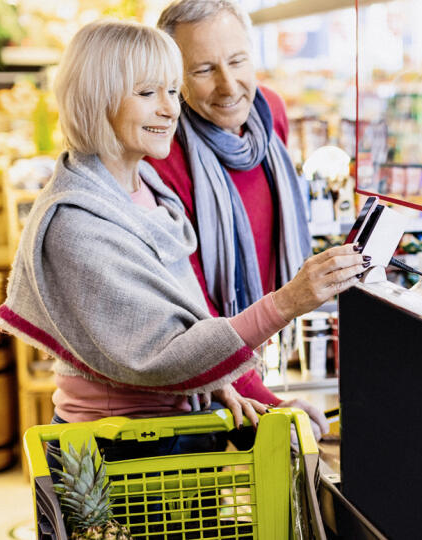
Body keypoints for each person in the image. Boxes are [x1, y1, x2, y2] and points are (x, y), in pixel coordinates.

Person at [0, 20, 367, 449]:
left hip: (174, 429)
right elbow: (160, 357)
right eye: (147, 92)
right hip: (116, 452)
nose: (170, 109)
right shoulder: (75, 223)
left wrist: (218, 381)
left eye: (172, 91)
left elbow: (177, 325)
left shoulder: (149, 192)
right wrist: (287, 302)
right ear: (96, 98)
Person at [145, 0, 326, 427]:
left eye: (238, 61)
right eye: (204, 70)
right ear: (174, 79)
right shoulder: (163, 153)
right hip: (209, 377)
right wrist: (268, 402)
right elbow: (191, 304)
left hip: (263, 351)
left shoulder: (271, 113)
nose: (229, 86)